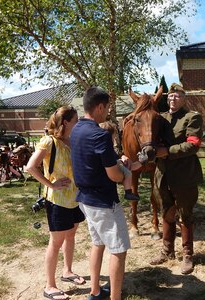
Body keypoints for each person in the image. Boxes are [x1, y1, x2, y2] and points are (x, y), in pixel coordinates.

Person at [70, 87, 131, 300]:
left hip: (85, 200)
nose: (107, 113)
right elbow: (114, 175)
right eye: (107, 108)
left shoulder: (76, 130)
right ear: (100, 107)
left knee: (98, 243)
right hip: (103, 202)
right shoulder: (100, 135)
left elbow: (92, 162)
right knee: (118, 249)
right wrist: (126, 172)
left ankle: (94, 290)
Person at [26, 106, 86, 300]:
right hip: (57, 201)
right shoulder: (49, 142)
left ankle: (67, 271)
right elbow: (30, 167)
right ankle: (49, 286)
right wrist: (50, 184)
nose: (78, 123)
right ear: (66, 122)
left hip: (74, 199)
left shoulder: (72, 141)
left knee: (71, 235)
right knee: (56, 242)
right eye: (76, 120)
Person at [149, 83, 204, 275]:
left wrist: (166, 151)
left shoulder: (192, 117)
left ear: (184, 99)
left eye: (177, 96)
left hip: (184, 175)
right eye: (171, 95)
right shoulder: (160, 117)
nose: (173, 98)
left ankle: (187, 255)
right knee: (166, 212)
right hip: (162, 175)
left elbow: (193, 145)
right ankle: (167, 251)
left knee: (185, 214)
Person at [99, 121, 142, 201]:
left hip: (106, 192)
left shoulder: (103, 148)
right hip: (104, 194)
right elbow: (130, 167)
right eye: (113, 137)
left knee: (128, 168)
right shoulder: (106, 150)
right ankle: (128, 191)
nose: (114, 139)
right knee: (128, 173)